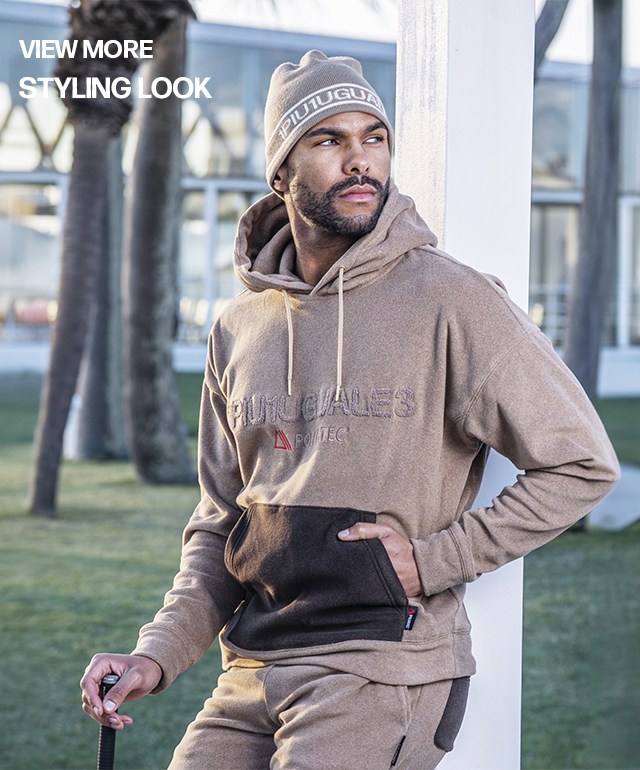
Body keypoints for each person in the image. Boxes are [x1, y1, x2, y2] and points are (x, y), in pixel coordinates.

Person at [81, 50, 619, 770]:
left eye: (375, 137)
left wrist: (434, 561)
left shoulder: (452, 299)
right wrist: (155, 654)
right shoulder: (239, 328)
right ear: (281, 171)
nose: (360, 158)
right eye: (329, 139)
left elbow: (582, 463)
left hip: (382, 668)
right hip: (252, 671)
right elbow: (222, 524)